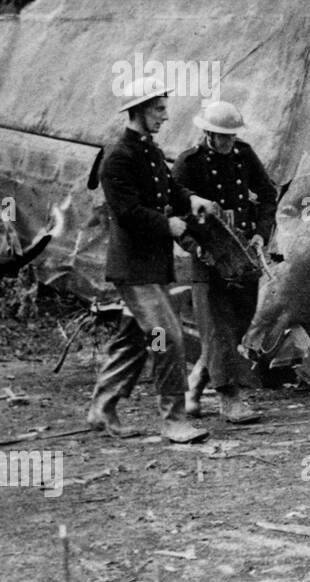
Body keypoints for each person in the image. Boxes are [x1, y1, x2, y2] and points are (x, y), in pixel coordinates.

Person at [88, 79, 217, 442]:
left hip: (151, 266)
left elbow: (169, 189)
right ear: (140, 110)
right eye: (159, 109)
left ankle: (102, 408)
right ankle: (174, 419)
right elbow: (127, 213)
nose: (165, 115)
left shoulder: (148, 150)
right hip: (134, 269)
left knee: (134, 340)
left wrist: (190, 200)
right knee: (166, 337)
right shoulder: (118, 157)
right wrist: (170, 225)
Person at [173, 101, 277, 424]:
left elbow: (267, 194)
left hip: (243, 255)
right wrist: (194, 247)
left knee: (236, 327)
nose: (228, 142)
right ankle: (229, 399)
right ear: (207, 133)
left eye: (232, 136)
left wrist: (261, 233)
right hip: (209, 258)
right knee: (218, 329)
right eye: (221, 136)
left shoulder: (244, 155)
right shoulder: (189, 163)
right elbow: (173, 211)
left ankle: (194, 385)